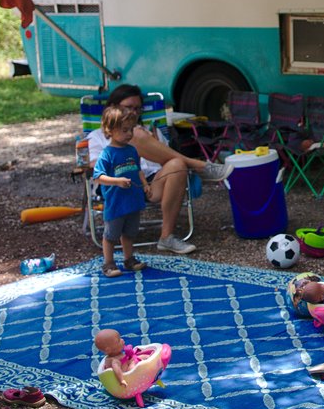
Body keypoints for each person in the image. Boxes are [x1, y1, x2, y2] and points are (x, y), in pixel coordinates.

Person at [87, 84, 233, 254]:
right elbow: (93, 166)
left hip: (151, 184)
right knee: (137, 137)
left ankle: (167, 237)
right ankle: (200, 166)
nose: (133, 113)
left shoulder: (150, 131)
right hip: (119, 186)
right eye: (128, 107)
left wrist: (153, 143)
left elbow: (169, 161)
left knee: (178, 165)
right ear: (113, 107)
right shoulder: (97, 136)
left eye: (137, 109)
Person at [92, 107, 149, 277]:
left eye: (131, 129)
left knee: (130, 232)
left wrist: (145, 184)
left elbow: (138, 170)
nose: (129, 134)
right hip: (116, 202)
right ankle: (108, 264)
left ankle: (129, 258)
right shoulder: (107, 154)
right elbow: (98, 177)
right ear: (110, 130)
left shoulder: (132, 150)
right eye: (124, 130)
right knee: (111, 235)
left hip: (133, 200)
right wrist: (117, 182)